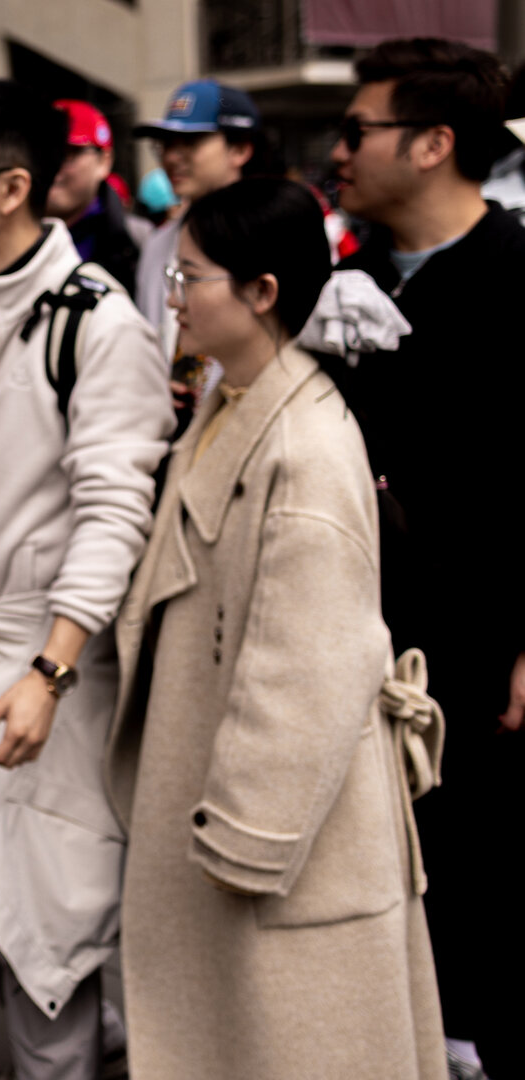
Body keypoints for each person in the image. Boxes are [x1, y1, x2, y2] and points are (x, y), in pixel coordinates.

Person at [105, 176, 444, 1080]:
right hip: (228, 793)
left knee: (295, 1043)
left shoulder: (305, 444)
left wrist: (247, 833)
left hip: (283, 833)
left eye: (190, 280)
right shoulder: (238, 396)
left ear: (263, 292)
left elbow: (311, 669)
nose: (171, 299)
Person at [0, 80, 173, 1080]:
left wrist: (51, 672)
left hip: (36, 663)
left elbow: (116, 510)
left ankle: (75, 1051)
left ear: (14, 187)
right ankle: (102, 1043)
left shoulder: (95, 325)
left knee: (40, 925)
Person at [326, 37, 525, 1080]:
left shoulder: (516, 275)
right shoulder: (340, 285)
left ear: (435, 143)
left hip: (488, 662)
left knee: (490, 892)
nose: (340, 150)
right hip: (360, 649)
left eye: (358, 130)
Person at [132, 80, 262, 365]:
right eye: (165, 144)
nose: (170, 158)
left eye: (189, 143)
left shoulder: (271, 239)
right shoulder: (157, 244)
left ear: (239, 150)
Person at [46, 100, 140, 294]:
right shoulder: (5, 237)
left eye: (69, 153)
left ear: (104, 161)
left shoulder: (138, 241)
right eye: (46, 151)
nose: (54, 165)